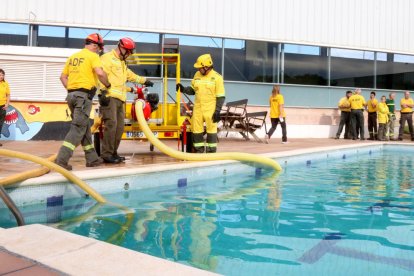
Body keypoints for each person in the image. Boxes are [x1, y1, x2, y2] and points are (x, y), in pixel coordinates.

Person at [55, 33, 111, 171]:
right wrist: (108, 85)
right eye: (99, 47)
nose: (99, 50)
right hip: (83, 98)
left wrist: (73, 90)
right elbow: (100, 73)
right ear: (94, 45)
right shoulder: (93, 56)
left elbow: (63, 77)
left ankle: (92, 159)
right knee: (78, 129)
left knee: (84, 127)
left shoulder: (73, 57)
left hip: (72, 96)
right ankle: (61, 160)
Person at [99, 37, 154, 164]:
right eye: (128, 52)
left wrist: (145, 80)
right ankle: (106, 154)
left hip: (120, 99)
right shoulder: (106, 58)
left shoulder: (122, 63)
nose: (129, 54)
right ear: (121, 48)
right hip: (109, 97)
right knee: (111, 125)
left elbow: (131, 76)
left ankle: (113, 153)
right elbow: (100, 75)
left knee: (119, 127)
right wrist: (103, 93)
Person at [176, 54, 225, 153]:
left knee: (211, 131)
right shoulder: (197, 75)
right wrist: (184, 89)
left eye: (200, 68)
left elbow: (220, 96)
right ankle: (199, 151)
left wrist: (217, 111)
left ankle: (211, 153)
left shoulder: (217, 78)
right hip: (198, 109)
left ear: (206, 67)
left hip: (210, 109)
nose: (198, 69)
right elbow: (193, 90)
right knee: (196, 130)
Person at [0, 69, 10, 147]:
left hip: (2, 106)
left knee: (0, 124)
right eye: (0, 75)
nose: (1, 76)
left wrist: (7, 104)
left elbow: (8, 95)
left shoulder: (5, 84)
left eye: (2, 75)